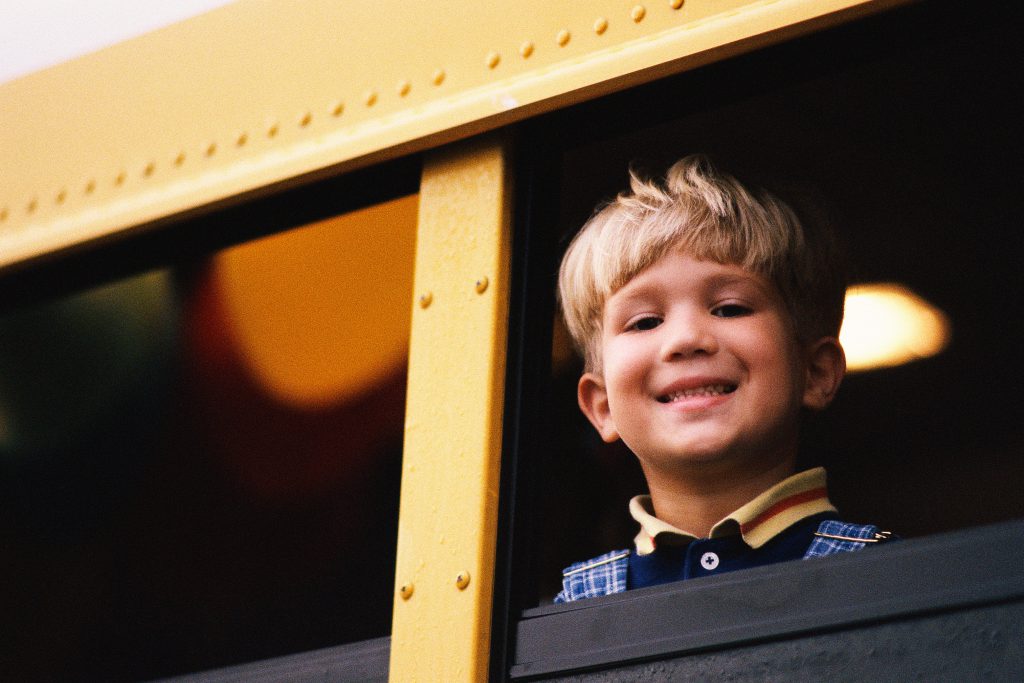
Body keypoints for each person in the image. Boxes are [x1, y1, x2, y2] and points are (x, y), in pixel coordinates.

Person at [554, 155, 890, 603]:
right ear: (603, 407)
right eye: (644, 321)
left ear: (815, 372)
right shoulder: (572, 609)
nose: (687, 339)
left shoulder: (882, 576)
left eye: (730, 308)